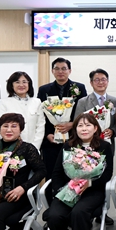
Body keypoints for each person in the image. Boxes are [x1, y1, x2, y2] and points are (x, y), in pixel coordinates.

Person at [46, 113, 114, 230]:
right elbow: (57, 173)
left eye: (88, 125)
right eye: (80, 125)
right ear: (75, 129)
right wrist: (61, 190)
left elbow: (107, 174)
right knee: (53, 216)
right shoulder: (67, 146)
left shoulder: (104, 146)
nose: (84, 129)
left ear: (95, 128)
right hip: (69, 189)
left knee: (79, 212)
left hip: (92, 190)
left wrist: (88, 183)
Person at [37, 58, 87, 202]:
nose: (60, 71)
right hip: (51, 141)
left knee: (74, 172)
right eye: (57, 68)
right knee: (52, 173)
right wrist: (48, 134)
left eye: (64, 68)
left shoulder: (79, 88)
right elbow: (41, 115)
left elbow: (83, 113)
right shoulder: (44, 90)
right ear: (52, 71)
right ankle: (51, 205)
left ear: (69, 71)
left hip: (73, 139)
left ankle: (73, 202)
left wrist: (72, 124)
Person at [73, 68, 116, 155]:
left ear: (107, 82)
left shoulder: (115, 101)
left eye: (103, 79)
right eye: (97, 80)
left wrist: (112, 131)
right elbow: (76, 123)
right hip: (87, 144)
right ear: (91, 83)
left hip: (108, 143)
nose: (100, 82)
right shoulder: (83, 102)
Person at [0, 72, 45, 150]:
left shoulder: (36, 102)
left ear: (29, 84)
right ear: (11, 85)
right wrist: (9, 144)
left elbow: (40, 126)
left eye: (24, 82)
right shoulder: (4, 102)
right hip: (11, 148)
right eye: (17, 82)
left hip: (33, 146)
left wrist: (34, 147)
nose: (21, 85)